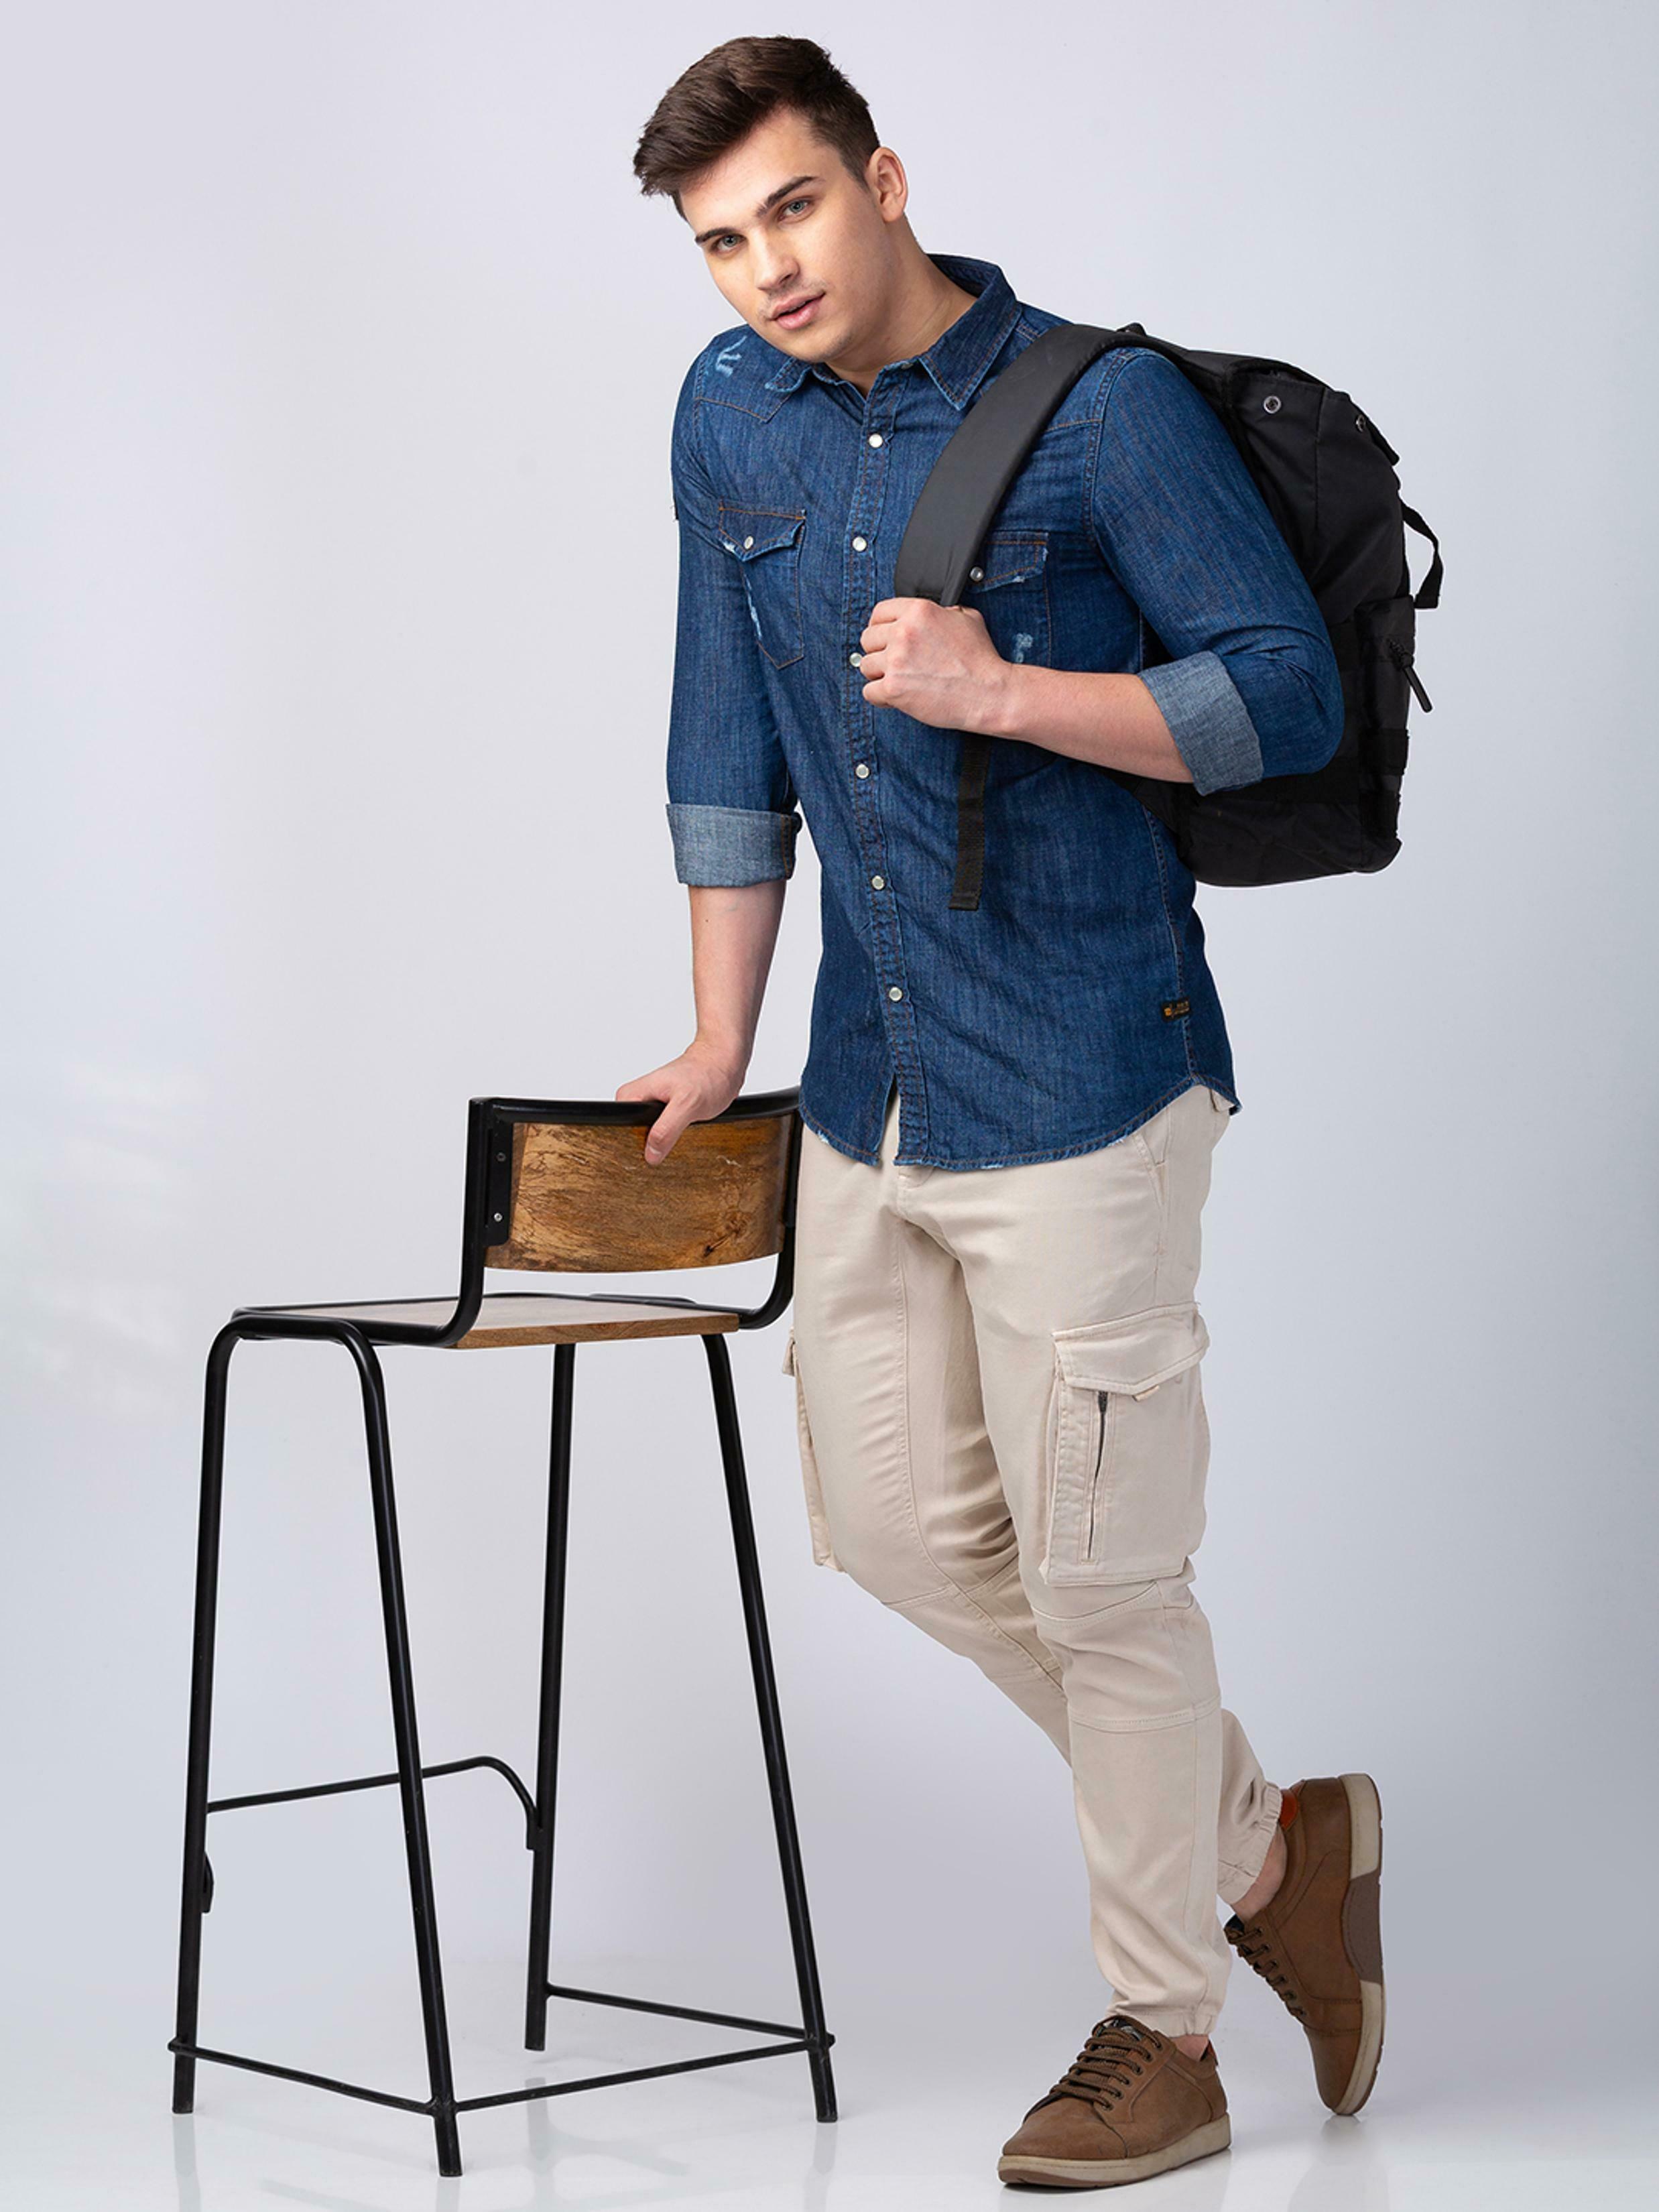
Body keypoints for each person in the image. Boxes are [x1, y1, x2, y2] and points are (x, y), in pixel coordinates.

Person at [619, 34, 1384, 2191]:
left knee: (1104, 1579)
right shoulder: (726, 412)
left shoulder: (1098, 411)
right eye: (719, 243)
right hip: (870, 1088)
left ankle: (1168, 2031)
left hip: (1082, 1076)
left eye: (790, 208)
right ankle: (1271, 1846)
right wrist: (714, 1034)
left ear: (880, 180)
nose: (765, 269)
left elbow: (1284, 695)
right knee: (888, 1527)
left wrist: (1004, 689)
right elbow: (721, 734)